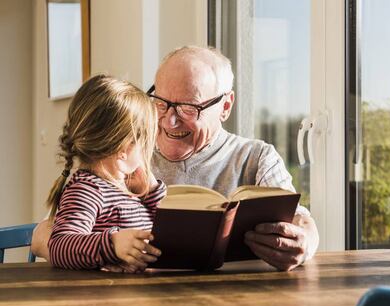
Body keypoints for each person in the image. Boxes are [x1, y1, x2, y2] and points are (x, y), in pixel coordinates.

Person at [32, 46, 319, 271]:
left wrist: (303, 244)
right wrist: (107, 251)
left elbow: (303, 224)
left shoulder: (256, 157)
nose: (169, 121)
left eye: (187, 108)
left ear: (225, 106)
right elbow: (46, 237)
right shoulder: (127, 152)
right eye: (162, 103)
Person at [45, 74, 166, 272]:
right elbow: (59, 246)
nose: (147, 152)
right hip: (103, 298)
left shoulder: (127, 188)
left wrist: (152, 192)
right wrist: (112, 244)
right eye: (145, 145)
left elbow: (162, 232)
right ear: (124, 150)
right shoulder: (87, 189)